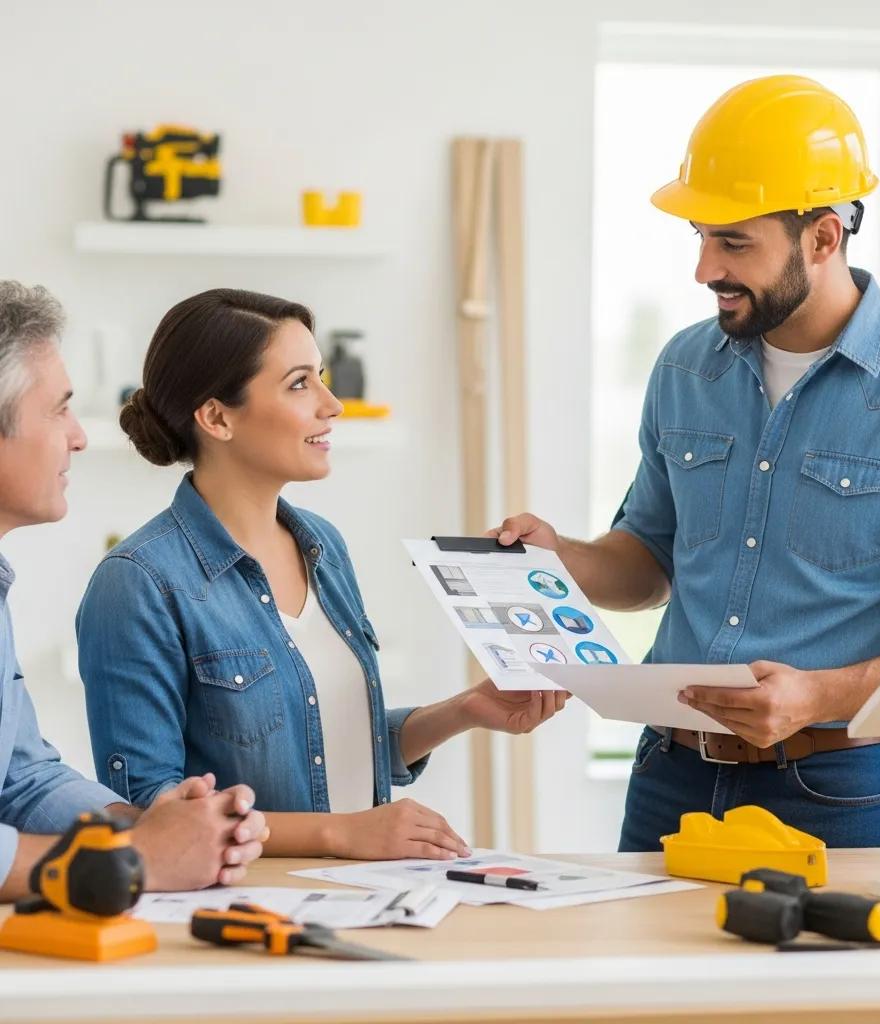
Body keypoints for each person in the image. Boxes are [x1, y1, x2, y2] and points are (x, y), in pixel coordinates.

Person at [492, 75, 880, 851]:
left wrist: (820, 695)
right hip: (671, 773)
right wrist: (560, 558)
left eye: (734, 242)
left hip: (841, 786)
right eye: (701, 237)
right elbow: (650, 561)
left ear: (823, 238)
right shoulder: (685, 370)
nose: (705, 269)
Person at [77, 288, 566, 860]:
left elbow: (330, 743)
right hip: (245, 901)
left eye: (322, 378)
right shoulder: (137, 582)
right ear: (216, 417)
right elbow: (147, 810)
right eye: (299, 383)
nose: (332, 405)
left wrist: (463, 711)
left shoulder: (323, 545)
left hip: (361, 891)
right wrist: (340, 833)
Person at [0, 281, 266, 901]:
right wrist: (131, 858)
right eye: (58, 410)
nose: (79, 437)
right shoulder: (137, 576)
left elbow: (21, 778)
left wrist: (148, 825)